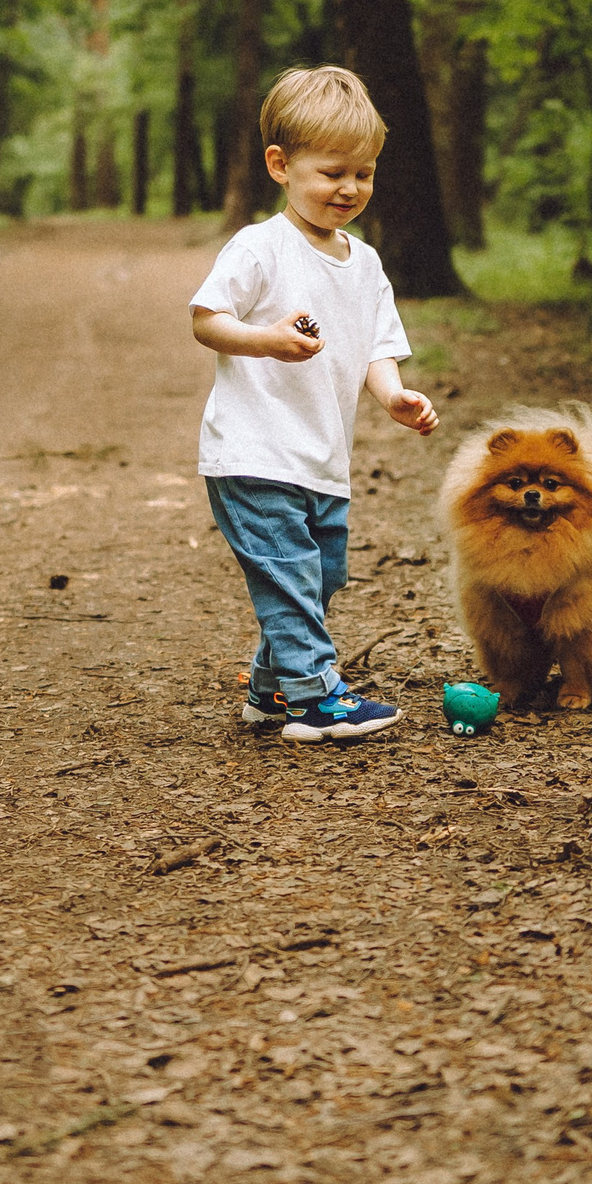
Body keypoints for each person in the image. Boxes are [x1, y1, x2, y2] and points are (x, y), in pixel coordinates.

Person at [190, 66, 439, 741]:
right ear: (281, 164)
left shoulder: (365, 264)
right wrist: (265, 340)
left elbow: (375, 348)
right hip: (254, 451)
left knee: (318, 576)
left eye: (364, 173)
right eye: (333, 172)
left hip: (322, 457)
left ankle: (271, 692)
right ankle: (314, 698)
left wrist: (394, 396)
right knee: (292, 575)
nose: (349, 188)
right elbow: (206, 319)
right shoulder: (260, 247)